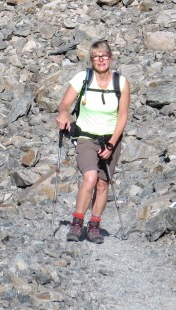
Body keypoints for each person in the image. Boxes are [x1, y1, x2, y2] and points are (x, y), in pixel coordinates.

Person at [55, 39, 130, 243]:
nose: (101, 59)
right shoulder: (83, 78)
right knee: (90, 178)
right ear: (91, 59)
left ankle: (94, 225)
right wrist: (63, 115)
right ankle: (77, 223)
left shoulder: (121, 83)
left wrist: (112, 144)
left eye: (104, 55)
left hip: (111, 139)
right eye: (96, 56)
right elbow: (64, 104)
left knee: (103, 183)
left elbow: (122, 116)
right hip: (86, 137)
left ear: (111, 58)